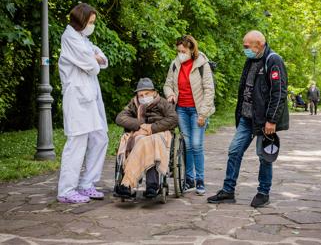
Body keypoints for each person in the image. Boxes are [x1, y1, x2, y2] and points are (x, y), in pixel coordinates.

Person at [207, 30, 289, 208]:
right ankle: (228, 191)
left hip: (263, 119)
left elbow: (279, 92)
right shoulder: (251, 60)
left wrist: (272, 120)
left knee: (264, 156)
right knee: (234, 151)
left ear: (258, 44)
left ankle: (263, 192)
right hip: (246, 118)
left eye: (247, 46)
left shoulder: (273, 60)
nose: (244, 49)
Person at [57, 3, 109, 204]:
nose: (92, 26)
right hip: (77, 98)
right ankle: (66, 189)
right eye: (91, 22)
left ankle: (87, 183)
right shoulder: (69, 38)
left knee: (100, 138)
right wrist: (94, 60)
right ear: (81, 21)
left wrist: (95, 58)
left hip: (90, 97)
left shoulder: (82, 39)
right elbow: (92, 65)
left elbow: (101, 59)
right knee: (77, 142)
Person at [163, 35, 215, 195]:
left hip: (197, 110)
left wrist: (203, 114)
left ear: (192, 49)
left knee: (197, 145)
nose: (180, 54)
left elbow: (209, 90)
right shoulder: (175, 64)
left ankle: (200, 180)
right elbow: (167, 84)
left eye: (183, 51)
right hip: (181, 110)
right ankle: (189, 179)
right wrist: (170, 94)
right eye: (178, 51)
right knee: (187, 145)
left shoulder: (202, 64)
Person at [114, 78, 178, 198]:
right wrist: (140, 125)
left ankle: (128, 184)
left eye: (147, 94)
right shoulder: (134, 104)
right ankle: (151, 186)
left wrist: (152, 128)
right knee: (140, 140)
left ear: (154, 92)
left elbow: (173, 119)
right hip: (141, 134)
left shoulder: (163, 103)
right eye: (141, 95)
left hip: (159, 133)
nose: (144, 97)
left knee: (149, 141)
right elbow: (120, 118)